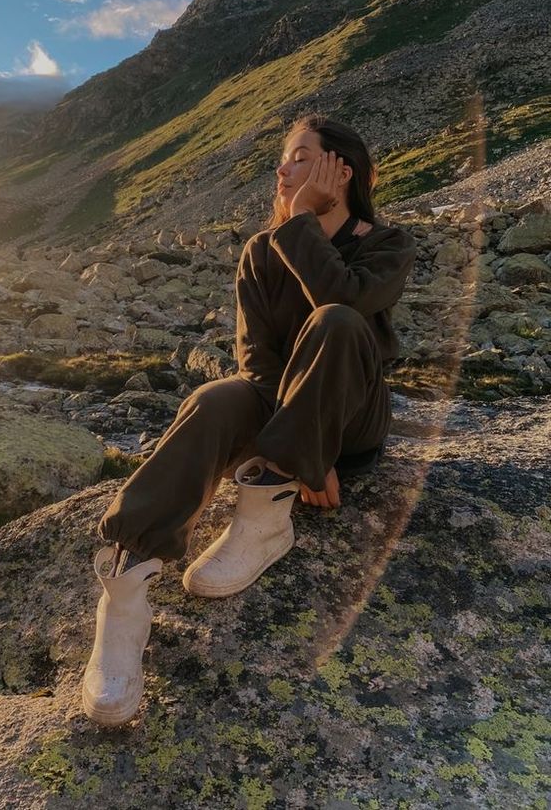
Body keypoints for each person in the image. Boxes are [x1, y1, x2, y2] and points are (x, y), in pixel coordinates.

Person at [81, 112, 418, 726]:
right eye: (283, 161)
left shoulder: (386, 243)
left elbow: (346, 301)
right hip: (285, 421)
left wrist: (317, 450)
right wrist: (295, 443)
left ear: (340, 172)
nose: (283, 170)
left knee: (336, 321)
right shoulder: (261, 252)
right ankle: (127, 584)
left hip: (353, 423)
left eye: (298, 157)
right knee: (216, 397)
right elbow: (258, 363)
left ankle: (265, 516)